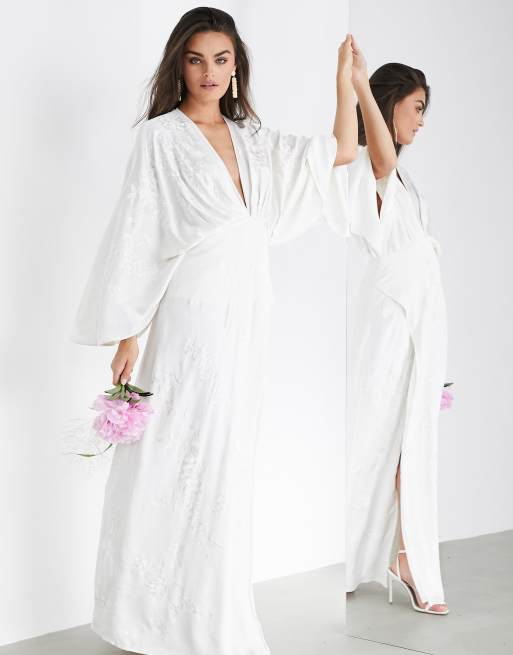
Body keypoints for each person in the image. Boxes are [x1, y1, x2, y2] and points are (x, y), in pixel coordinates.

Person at [70, 7, 357, 654]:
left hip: (244, 318)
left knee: (225, 464)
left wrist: (343, 82)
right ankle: (142, 615)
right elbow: (140, 236)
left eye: (221, 59)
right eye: (196, 59)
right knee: (169, 458)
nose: (209, 72)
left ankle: (211, 616)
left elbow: (338, 152)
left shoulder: (253, 138)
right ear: (180, 64)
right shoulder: (159, 139)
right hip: (188, 320)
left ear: (236, 67)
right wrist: (129, 334)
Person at [343, 39, 450, 614]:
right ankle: (362, 553)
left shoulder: (406, 182)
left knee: (415, 438)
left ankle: (404, 555)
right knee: (378, 436)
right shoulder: (371, 166)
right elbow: (380, 162)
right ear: (391, 107)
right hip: (391, 317)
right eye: (417, 107)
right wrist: (361, 84)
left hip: (422, 316)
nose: (422, 120)